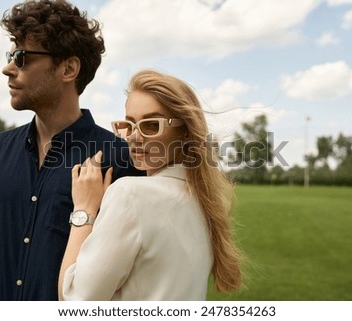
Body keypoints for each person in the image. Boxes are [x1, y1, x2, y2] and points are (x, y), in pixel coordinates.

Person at [0, 0, 141, 301]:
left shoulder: (121, 160)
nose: (7, 68)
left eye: (21, 57)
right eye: (10, 55)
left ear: (68, 68)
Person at [59, 69, 243, 300]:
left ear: (185, 131)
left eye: (151, 125)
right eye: (128, 125)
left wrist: (84, 211)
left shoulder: (129, 193)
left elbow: (74, 301)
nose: (134, 137)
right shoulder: (206, 202)